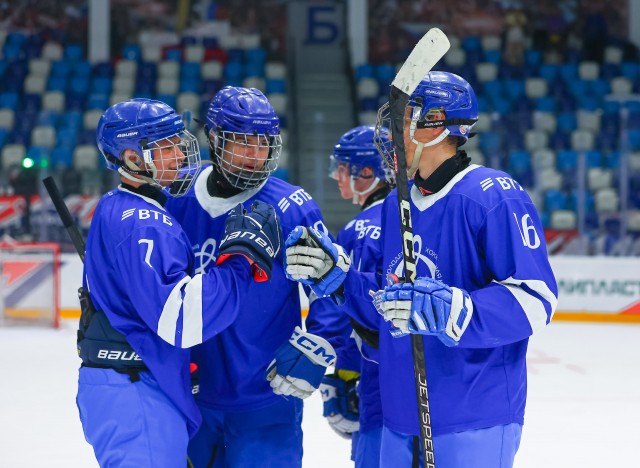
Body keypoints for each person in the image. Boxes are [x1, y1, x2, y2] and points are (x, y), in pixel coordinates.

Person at [284, 71, 558, 467]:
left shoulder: (492, 196)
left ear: (436, 124)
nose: (391, 131)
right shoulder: (399, 205)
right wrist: (341, 280)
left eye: (403, 118)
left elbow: (537, 298)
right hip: (400, 417)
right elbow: (393, 308)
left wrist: (454, 309)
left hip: (472, 416)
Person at [76, 98, 282, 467]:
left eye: (178, 140)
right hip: (136, 392)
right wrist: (239, 260)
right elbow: (183, 317)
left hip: (134, 386)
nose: (180, 153)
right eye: (165, 147)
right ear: (132, 158)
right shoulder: (144, 222)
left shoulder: (118, 206)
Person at [165, 86, 334, 467]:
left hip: (267, 398)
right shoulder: (177, 198)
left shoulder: (292, 207)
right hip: (189, 397)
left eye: (262, 143)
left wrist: (321, 340)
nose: (254, 155)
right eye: (241, 143)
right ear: (213, 138)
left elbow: (329, 286)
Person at [306, 125, 394, 468]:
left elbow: (341, 313)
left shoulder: (357, 230)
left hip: (374, 380)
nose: (335, 177)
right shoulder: (422, 215)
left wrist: (345, 375)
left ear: (367, 172)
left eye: (341, 169)